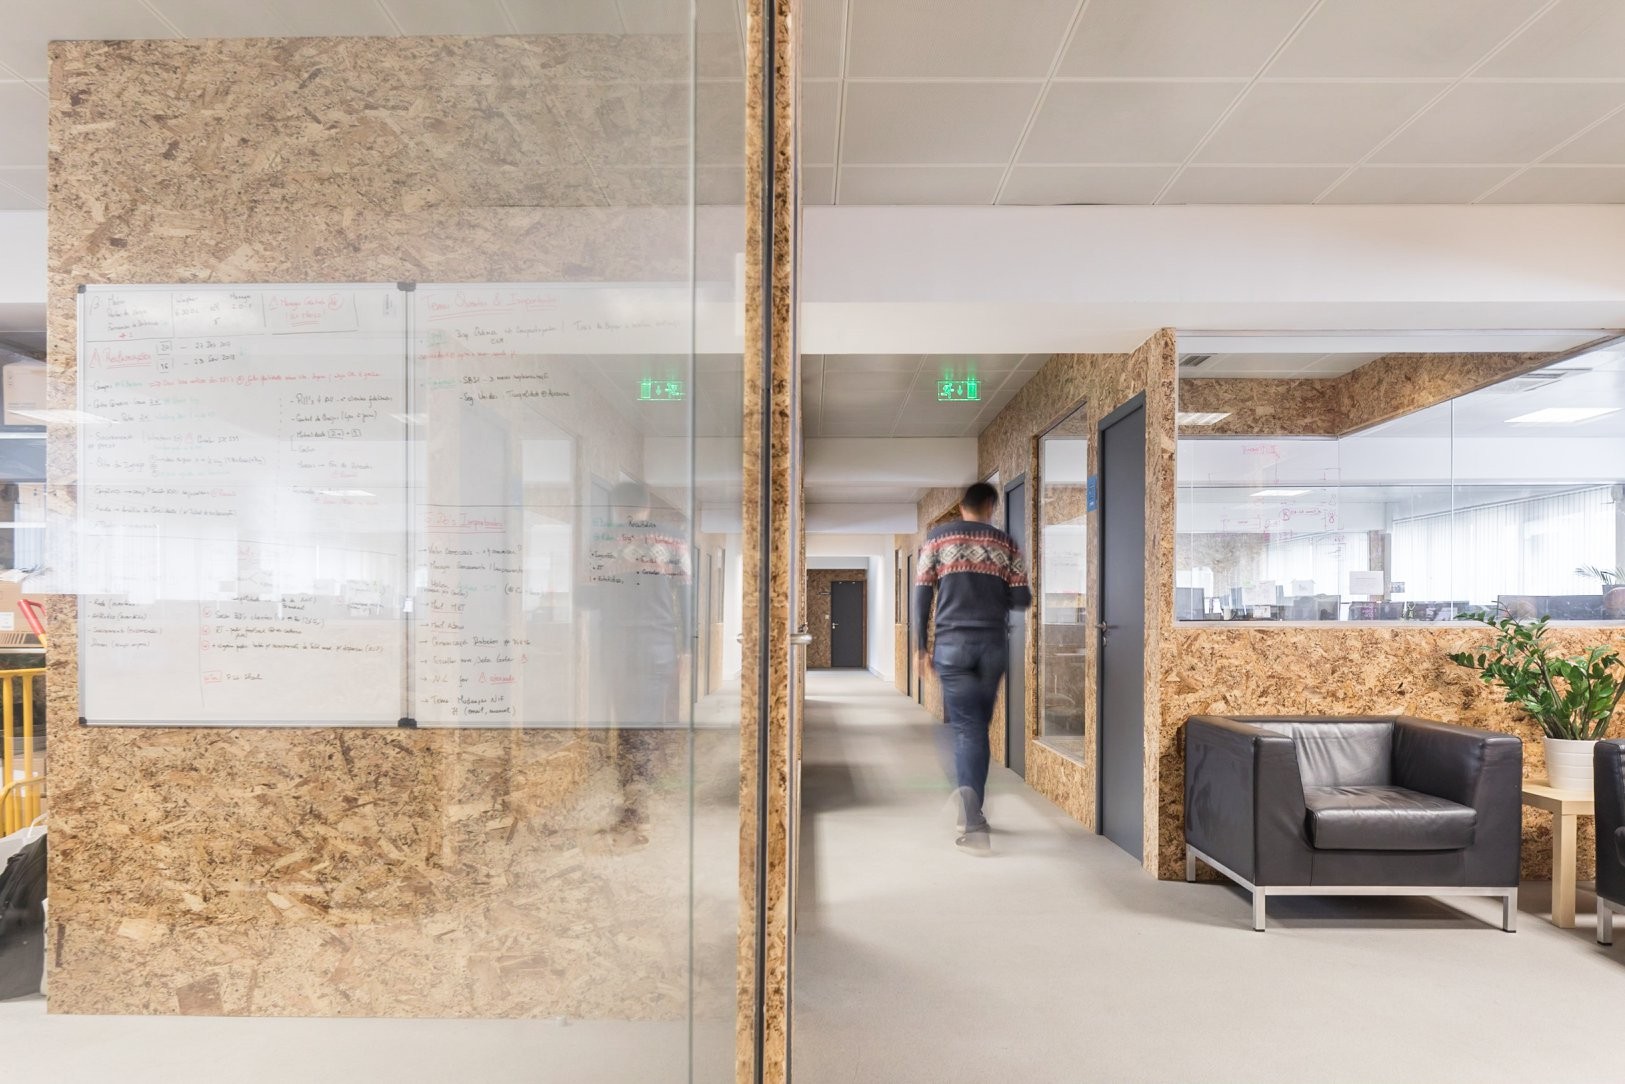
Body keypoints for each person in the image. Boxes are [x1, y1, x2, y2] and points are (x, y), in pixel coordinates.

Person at [913, 482, 1031, 854]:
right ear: (991, 507)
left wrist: (920, 648)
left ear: (962, 507)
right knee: (977, 728)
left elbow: (922, 595)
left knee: (967, 729)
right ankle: (973, 810)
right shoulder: (1006, 543)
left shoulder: (937, 538)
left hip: (951, 646)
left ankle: (973, 815)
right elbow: (1022, 598)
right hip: (993, 646)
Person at [587, 481, 691, 845]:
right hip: (659, 642)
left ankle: (635, 810)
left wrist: (616, 580)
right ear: (647, 507)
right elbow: (686, 595)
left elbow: (586, 599)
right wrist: (685, 649)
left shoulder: (603, 539)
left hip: (617, 641)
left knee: (626, 723)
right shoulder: (673, 538)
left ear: (616, 508)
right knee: (644, 724)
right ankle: (637, 806)